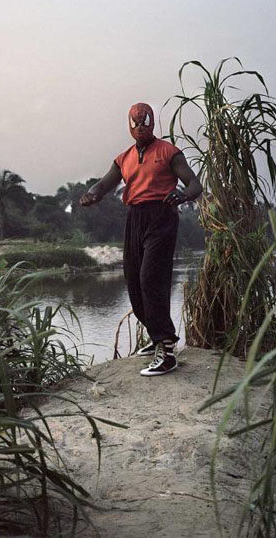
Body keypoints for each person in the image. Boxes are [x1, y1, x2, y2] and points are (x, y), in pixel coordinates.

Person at [79, 102, 203, 376]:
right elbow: (104, 183)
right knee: (133, 279)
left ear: (152, 123)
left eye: (145, 123)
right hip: (134, 218)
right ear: (129, 125)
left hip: (161, 215)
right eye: (136, 124)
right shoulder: (123, 158)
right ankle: (156, 336)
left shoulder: (169, 153)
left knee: (151, 278)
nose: (140, 128)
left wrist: (183, 195)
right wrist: (92, 193)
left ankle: (167, 350)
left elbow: (195, 184)